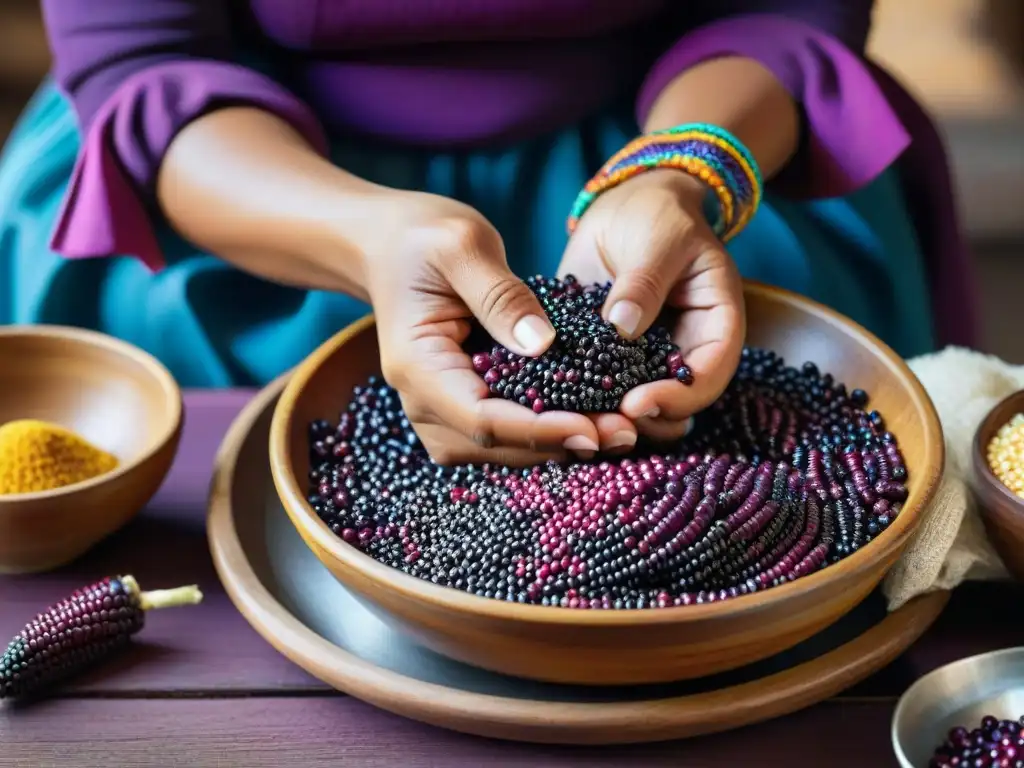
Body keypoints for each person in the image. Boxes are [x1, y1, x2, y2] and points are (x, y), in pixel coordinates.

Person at [0, 1, 975, 466]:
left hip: (690, 131)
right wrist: (365, 236)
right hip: (254, 181)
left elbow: (787, 7)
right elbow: (145, 59)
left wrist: (680, 171)